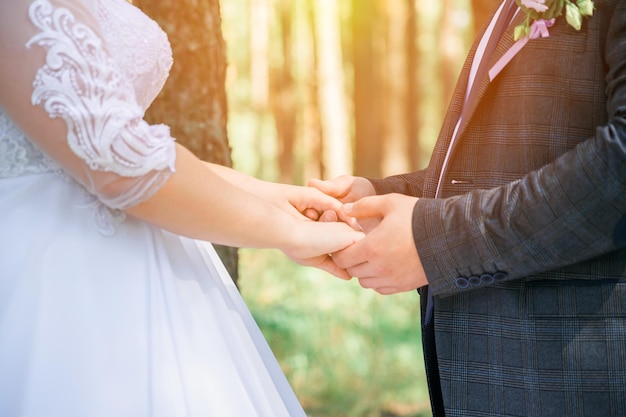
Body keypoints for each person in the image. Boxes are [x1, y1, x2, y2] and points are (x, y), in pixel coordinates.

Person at [0, 0, 364, 416]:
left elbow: (132, 147)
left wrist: (269, 197)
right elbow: (117, 160)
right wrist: (291, 233)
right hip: (58, 290)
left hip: (148, 284)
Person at [311, 0, 626, 415]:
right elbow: (506, 166)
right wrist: (379, 199)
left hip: (573, 376)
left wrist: (434, 238)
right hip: (499, 373)